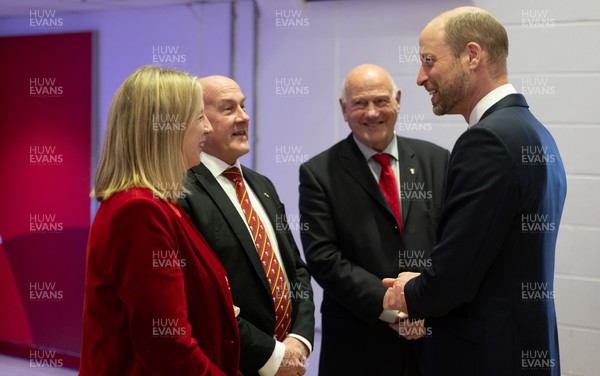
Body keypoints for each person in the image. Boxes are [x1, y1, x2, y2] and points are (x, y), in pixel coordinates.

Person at [383, 7, 566, 376]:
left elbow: (454, 280)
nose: (421, 77)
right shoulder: (535, 133)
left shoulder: (487, 141)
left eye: (430, 61)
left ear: (472, 55)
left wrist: (409, 291)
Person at [80, 66, 241, 376]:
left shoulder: (158, 205)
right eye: (198, 118)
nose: (207, 129)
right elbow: (168, 347)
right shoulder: (139, 211)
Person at [298, 63, 449, 375]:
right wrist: (394, 310)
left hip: (432, 340)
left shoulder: (438, 160)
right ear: (343, 109)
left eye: (381, 101)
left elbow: (453, 242)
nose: (371, 113)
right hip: (359, 346)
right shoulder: (318, 173)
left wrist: (424, 306)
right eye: (359, 103)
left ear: (398, 100)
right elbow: (324, 259)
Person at [180, 76, 315, 376]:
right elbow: (202, 301)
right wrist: (273, 356)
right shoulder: (182, 192)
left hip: (290, 359)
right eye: (228, 109)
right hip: (233, 364)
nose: (244, 116)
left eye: (243, 106)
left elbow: (297, 270)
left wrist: (300, 339)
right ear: (199, 121)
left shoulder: (261, 184)